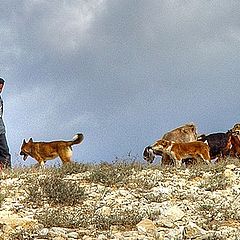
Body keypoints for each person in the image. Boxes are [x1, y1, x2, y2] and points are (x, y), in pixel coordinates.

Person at [0, 78, 11, 169]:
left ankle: (7, 171)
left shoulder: (0, 99)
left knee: (5, 151)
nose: (0, 90)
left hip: (1, 130)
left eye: (1, 88)